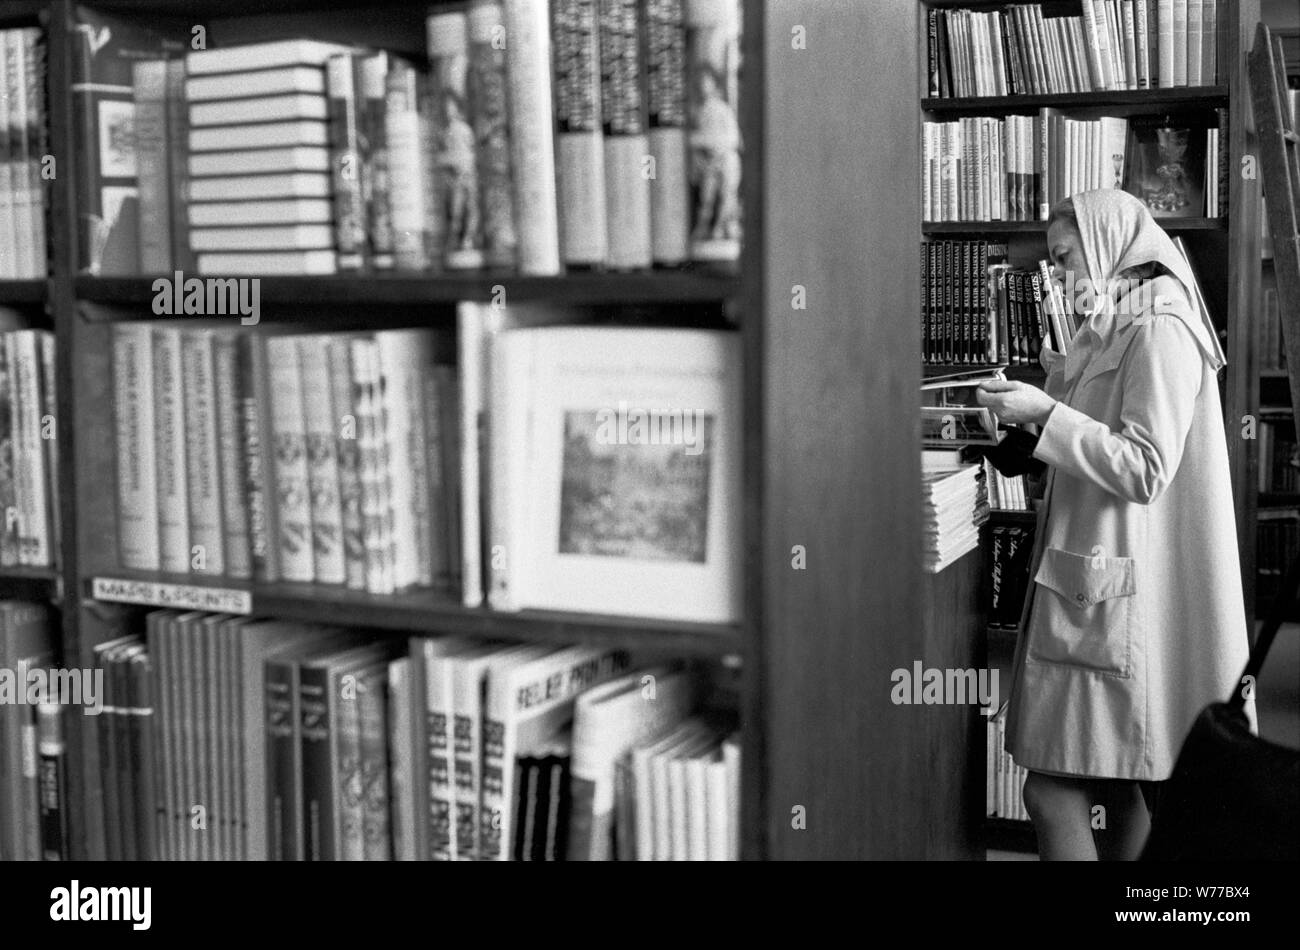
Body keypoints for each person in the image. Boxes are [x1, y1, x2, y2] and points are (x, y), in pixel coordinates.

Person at [975, 188, 1252, 860]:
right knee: (1124, 781)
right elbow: (1093, 436)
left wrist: (1044, 414)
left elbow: (1144, 466)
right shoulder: (1122, 319)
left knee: (1050, 789)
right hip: (1101, 577)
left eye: (1067, 259)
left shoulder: (1159, 326)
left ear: (1108, 243)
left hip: (1115, 584)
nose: (1062, 277)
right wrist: (1026, 433)